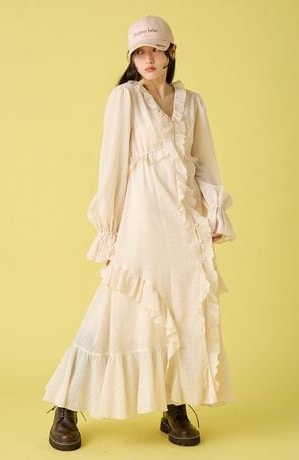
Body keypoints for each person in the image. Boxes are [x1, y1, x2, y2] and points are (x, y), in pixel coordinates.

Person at [43, 14, 237, 450]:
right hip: (141, 224)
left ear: (171, 52)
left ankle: (175, 407)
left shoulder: (193, 103)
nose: (147, 59)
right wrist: (109, 233)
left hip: (184, 227)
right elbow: (111, 169)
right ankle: (66, 405)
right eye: (139, 52)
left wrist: (214, 214)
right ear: (131, 58)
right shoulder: (125, 99)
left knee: (183, 308)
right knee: (116, 311)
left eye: (155, 49)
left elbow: (205, 162)